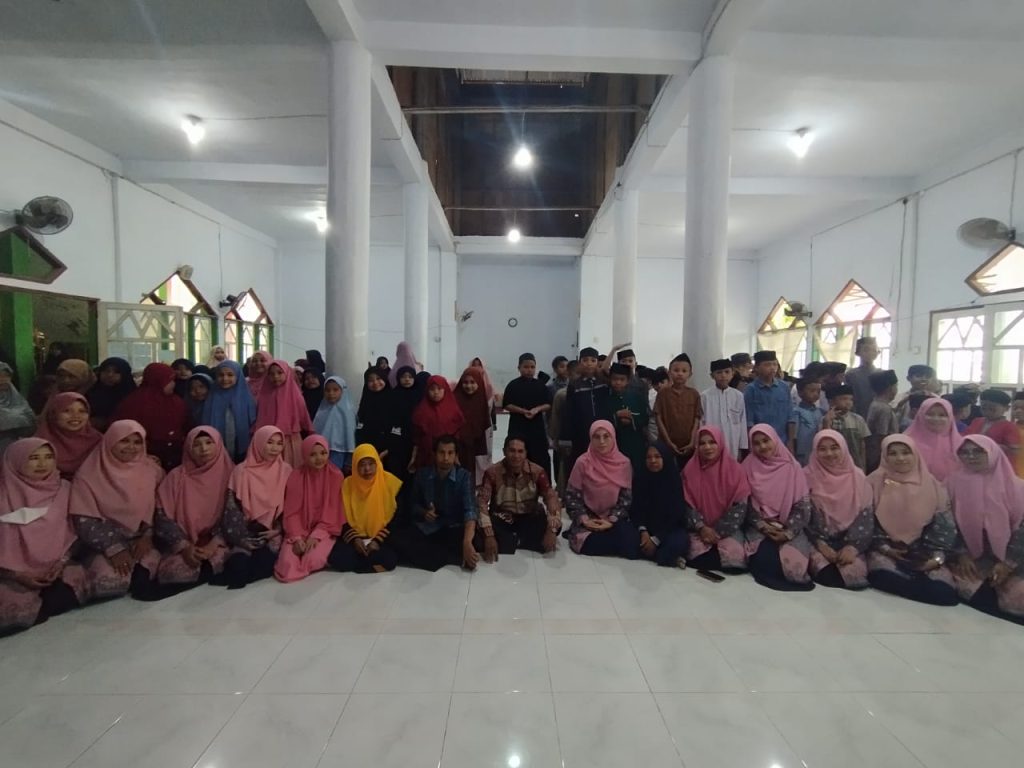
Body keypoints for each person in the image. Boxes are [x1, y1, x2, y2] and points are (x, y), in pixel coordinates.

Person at [0, 438, 94, 633]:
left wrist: (61, 562)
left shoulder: (64, 489)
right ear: (15, 461)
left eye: (49, 457)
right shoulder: (3, 495)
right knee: (14, 612)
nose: (42, 464)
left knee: (72, 591)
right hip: (10, 573)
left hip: (57, 566)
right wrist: (15, 574)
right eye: (34, 458)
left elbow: (75, 531)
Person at [70, 420, 166, 600]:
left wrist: (147, 535)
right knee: (108, 583)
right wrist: (114, 548)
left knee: (147, 574)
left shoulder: (151, 470)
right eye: (124, 441)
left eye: (137, 442)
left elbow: (160, 507)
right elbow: (84, 520)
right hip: (102, 545)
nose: (131, 447)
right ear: (110, 440)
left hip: (141, 539)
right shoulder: (87, 476)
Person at [866, 435, 958, 606]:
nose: (900, 458)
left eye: (905, 452)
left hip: (925, 551)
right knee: (883, 576)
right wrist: (886, 549)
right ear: (884, 456)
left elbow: (944, 527)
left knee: (945, 593)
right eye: (893, 453)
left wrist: (937, 559)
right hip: (886, 549)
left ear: (915, 454)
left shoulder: (932, 484)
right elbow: (867, 523)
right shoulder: (874, 481)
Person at [947, 435, 1024, 624]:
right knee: (975, 591)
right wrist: (961, 554)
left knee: (1017, 597)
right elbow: (947, 523)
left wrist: (1007, 564)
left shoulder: (1017, 486)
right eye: (964, 452)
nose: (971, 456)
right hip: (970, 557)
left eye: (978, 451)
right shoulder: (951, 483)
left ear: (992, 452)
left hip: (1014, 557)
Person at [151, 428, 234, 594]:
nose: (204, 449)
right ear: (188, 448)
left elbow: (235, 515)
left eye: (209, 443)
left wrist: (214, 543)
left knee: (228, 563)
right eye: (196, 445)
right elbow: (162, 517)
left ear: (219, 445)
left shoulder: (232, 474)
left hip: (219, 541)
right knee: (173, 572)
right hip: (183, 541)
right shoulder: (175, 477)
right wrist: (184, 546)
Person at [742, 425, 814, 591]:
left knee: (795, 568)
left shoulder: (792, 467)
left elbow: (802, 507)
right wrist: (763, 526)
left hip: (790, 525)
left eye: (766, 440)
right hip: (759, 525)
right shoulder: (747, 466)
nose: (762, 446)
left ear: (775, 439)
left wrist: (787, 532)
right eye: (756, 443)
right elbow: (745, 503)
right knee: (766, 562)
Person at [393, 435, 479, 571]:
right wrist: (424, 513)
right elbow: (413, 505)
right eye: (441, 453)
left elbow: (470, 511)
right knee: (396, 539)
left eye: (450, 453)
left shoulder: (464, 477)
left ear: (456, 455)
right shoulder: (422, 475)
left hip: (454, 528)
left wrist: (467, 542)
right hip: (430, 528)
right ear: (434, 454)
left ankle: (439, 556)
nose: (446, 458)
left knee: (474, 538)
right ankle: (450, 558)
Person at [220, 426, 291, 589]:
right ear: (258, 442)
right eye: (270, 442)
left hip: (273, 532)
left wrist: (278, 530)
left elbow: (291, 506)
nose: (275, 448)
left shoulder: (286, 470)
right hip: (245, 532)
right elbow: (232, 508)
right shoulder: (241, 471)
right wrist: (242, 539)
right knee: (238, 567)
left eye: (279, 443)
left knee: (263, 563)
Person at [804, 430, 873, 589]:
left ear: (843, 448)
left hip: (851, 539)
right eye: (822, 449)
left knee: (854, 577)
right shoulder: (806, 476)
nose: (829, 453)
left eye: (834, 448)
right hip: (816, 540)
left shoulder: (858, 477)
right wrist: (821, 545)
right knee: (828, 576)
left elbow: (865, 517)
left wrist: (852, 547)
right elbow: (804, 517)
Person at [273, 435, 344, 583]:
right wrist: (297, 538)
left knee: (313, 559)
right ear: (305, 455)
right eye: (313, 454)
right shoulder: (296, 476)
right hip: (298, 529)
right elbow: (291, 512)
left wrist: (316, 535)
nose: (319, 458)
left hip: (325, 530)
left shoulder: (336, 475)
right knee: (287, 565)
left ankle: (305, 565)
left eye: (323, 453)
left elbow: (333, 511)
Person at [477, 435, 562, 558]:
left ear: (526, 453)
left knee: (555, 525)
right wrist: (489, 535)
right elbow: (482, 502)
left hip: (529, 517)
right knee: (480, 530)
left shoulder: (537, 471)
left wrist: (551, 530)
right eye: (512, 450)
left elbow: (551, 498)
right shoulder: (492, 472)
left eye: (520, 451)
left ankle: (512, 541)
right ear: (504, 451)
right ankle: (521, 541)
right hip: (502, 518)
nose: (516, 456)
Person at [565, 421, 639, 558]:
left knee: (631, 541)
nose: (602, 441)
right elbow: (572, 497)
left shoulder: (624, 464)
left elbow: (625, 499)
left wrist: (611, 520)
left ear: (613, 437)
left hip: (614, 519)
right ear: (591, 438)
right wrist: (584, 519)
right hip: (588, 518)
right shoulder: (583, 462)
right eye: (596, 437)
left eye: (606, 436)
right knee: (588, 543)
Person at [682, 426, 751, 571]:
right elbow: (686, 504)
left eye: (712, 442)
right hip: (698, 529)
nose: (707, 447)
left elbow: (739, 507)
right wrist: (701, 527)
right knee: (693, 553)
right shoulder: (689, 470)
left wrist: (717, 532)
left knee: (735, 558)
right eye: (702, 443)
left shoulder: (735, 470)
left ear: (720, 442)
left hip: (728, 528)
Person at [328, 444, 403, 573]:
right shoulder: (347, 485)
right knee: (337, 559)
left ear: (377, 463)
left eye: (371, 464)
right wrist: (354, 539)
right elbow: (340, 516)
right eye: (362, 465)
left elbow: (397, 518)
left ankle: (360, 566)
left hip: (379, 538)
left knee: (390, 558)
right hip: (356, 539)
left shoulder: (391, 483)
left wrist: (377, 541)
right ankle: (368, 565)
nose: (367, 469)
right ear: (354, 466)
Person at [111, 362, 191, 471]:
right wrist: (143, 454)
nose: (173, 384)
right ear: (158, 381)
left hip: (175, 458)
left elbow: (187, 426)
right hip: (142, 460)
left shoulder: (176, 402)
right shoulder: (134, 403)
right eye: (169, 380)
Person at [631, 442, 689, 568]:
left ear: (665, 458)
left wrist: (656, 539)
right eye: (649, 457)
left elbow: (677, 514)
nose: (653, 460)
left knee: (677, 543)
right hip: (646, 528)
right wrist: (643, 531)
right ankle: (663, 556)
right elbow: (636, 509)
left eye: (657, 457)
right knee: (627, 541)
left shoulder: (673, 479)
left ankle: (656, 553)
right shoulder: (640, 477)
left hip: (669, 529)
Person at [254, 360, 314, 468]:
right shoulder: (264, 394)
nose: (275, 376)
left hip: (290, 438)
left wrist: (310, 430)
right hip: (268, 438)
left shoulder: (295, 394)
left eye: (279, 373)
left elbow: (303, 414)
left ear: (287, 373)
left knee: (290, 466)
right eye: (271, 374)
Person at [502, 353, 553, 478]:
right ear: (519, 368)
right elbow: (507, 404)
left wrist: (537, 409)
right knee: (517, 453)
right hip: (518, 425)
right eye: (526, 367)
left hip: (537, 426)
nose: (529, 370)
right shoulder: (513, 385)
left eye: (532, 367)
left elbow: (548, 404)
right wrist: (522, 411)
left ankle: (542, 483)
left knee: (540, 454)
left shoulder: (540, 385)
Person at [34, 392, 102, 478]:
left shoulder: (98, 441)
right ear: (53, 414)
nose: (76, 416)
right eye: (67, 411)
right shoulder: (37, 443)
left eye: (82, 411)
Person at [202, 360, 257, 463]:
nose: (225, 378)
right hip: (216, 444)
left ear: (238, 376)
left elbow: (252, 421)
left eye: (230, 375)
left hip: (241, 444)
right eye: (221, 375)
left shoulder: (246, 398)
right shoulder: (212, 397)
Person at [562, 347, 610, 462]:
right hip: (581, 432)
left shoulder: (604, 382)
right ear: (580, 363)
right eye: (585, 360)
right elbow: (569, 412)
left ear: (597, 363)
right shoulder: (574, 385)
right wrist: (566, 438)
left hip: (603, 431)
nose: (589, 363)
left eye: (593, 360)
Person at [409, 375, 465, 472]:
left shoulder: (453, 410)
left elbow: (457, 435)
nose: (436, 392)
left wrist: (456, 456)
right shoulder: (421, 410)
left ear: (445, 390)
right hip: (426, 455)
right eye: (432, 389)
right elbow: (416, 437)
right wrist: (413, 457)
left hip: (447, 455)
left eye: (439, 389)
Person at [655, 353, 702, 464]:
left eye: (684, 371)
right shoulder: (663, 393)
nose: (680, 374)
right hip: (666, 443)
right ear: (669, 373)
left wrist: (692, 442)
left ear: (690, 374)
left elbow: (697, 419)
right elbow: (658, 418)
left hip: (688, 445)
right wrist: (668, 442)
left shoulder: (694, 394)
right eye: (676, 370)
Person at [903, 396, 963, 482]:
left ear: (950, 417)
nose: (936, 418)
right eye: (930, 414)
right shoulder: (905, 441)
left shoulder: (960, 444)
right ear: (920, 415)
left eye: (942, 415)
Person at [604, 362, 649, 474]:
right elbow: (602, 421)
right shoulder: (605, 398)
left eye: (622, 379)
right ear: (610, 379)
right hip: (614, 444)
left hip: (635, 443)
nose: (618, 382)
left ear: (628, 381)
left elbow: (645, 419)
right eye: (615, 379)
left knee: (637, 473)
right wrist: (616, 416)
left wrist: (631, 419)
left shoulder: (637, 397)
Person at [701, 359, 748, 461]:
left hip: (733, 441)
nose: (723, 375)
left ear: (732, 373)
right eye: (719, 372)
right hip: (711, 442)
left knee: (731, 465)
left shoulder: (738, 395)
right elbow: (702, 421)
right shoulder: (705, 396)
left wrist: (742, 447)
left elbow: (742, 421)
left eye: (727, 372)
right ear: (712, 376)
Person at [453, 367, 491, 481]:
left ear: (479, 383)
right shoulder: (454, 399)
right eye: (465, 382)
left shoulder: (481, 400)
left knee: (469, 476)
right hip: (455, 446)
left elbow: (484, 423)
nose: (469, 386)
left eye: (472, 382)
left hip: (472, 446)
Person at [743, 350, 790, 442]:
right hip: (761, 440)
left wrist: (791, 440)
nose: (772, 368)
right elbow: (749, 420)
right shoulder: (751, 389)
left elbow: (790, 416)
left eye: (775, 364)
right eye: (767, 365)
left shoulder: (784, 387)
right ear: (757, 367)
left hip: (782, 439)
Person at [822, 384, 870, 471]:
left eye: (850, 399)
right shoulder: (825, 419)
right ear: (832, 402)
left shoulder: (858, 419)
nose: (848, 402)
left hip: (855, 463)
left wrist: (863, 466)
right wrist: (827, 422)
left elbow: (862, 445)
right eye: (844, 399)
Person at [313, 376, 357, 472]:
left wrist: (349, 459)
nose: (331, 393)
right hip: (320, 449)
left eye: (335, 390)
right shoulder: (322, 410)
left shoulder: (347, 412)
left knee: (334, 474)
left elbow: (350, 436)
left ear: (343, 391)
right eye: (327, 390)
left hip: (339, 452)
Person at [966, 388, 1020, 461]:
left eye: (992, 409)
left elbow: (1015, 451)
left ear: (1006, 408)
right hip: (973, 459)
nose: (987, 411)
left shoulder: (1009, 426)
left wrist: (990, 445)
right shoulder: (976, 421)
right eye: (983, 408)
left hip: (997, 462)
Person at [84, 357, 136, 431]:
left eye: (116, 372)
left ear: (125, 374)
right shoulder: (91, 392)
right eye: (106, 370)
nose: (110, 375)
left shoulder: (131, 396)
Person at [865, 369, 900, 474]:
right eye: (896, 386)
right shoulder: (884, 409)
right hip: (879, 456)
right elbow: (882, 435)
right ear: (890, 388)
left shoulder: (876, 403)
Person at [355, 366, 393, 460]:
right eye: (370, 380)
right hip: (368, 452)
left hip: (390, 450)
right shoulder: (366, 401)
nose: (375, 382)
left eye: (378, 378)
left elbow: (398, 427)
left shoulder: (394, 400)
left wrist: (388, 449)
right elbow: (361, 426)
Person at [0, 363, 37, 454]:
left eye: (6, 376)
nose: (3, 379)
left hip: (12, 447)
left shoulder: (16, 398)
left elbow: (30, 423)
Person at [787, 378, 824, 466]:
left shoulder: (820, 412)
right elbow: (793, 436)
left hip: (819, 450)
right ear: (800, 392)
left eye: (818, 391)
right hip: (803, 452)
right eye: (812, 391)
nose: (816, 394)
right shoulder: (796, 412)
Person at [842, 337, 879, 418]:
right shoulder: (851, 375)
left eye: (874, 350)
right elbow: (849, 399)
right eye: (866, 350)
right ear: (858, 352)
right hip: (857, 416)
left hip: (878, 416)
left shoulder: (881, 374)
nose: (870, 353)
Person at [1013, 392, 1024, 480]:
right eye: (1015, 408)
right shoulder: (1009, 428)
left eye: (1023, 408)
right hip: (1013, 476)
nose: (1018, 411)